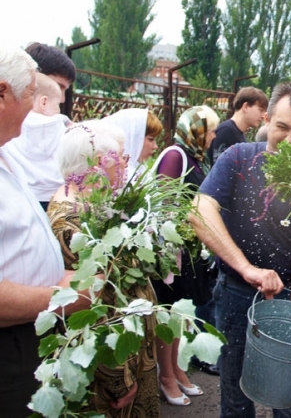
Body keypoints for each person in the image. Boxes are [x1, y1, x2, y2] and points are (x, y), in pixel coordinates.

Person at [189, 82, 291, 418]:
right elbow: (199, 209)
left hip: (288, 296)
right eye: (281, 128)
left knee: (290, 398)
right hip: (236, 296)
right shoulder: (237, 158)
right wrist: (246, 269)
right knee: (236, 396)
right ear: (266, 118)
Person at [47, 122, 161, 416]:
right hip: (114, 369)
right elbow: (95, 308)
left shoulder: (91, 203)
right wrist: (119, 380)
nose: (125, 165)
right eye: (121, 158)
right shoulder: (70, 224)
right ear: (99, 164)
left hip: (131, 357)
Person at [0, 46, 88, 417]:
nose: (38, 111)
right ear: (3, 94)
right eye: (30, 96)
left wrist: (58, 275)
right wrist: (61, 297)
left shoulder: (7, 153)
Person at [152, 106, 220, 404]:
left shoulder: (194, 157)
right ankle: (165, 376)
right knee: (168, 315)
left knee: (180, 315)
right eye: (212, 130)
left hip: (188, 250)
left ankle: (177, 370)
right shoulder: (174, 155)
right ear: (197, 130)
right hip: (171, 251)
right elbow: (163, 201)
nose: (215, 135)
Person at [1, 73, 70, 209]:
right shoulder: (60, 126)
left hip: (25, 191)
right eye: (57, 105)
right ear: (43, 102)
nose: (58, 110)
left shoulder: (15, 124)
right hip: (54, 193)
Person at [207, 86, 268, 163]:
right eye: (261, 110)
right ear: (245, 107)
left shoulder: (237, 133)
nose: (263, 116)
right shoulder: (226, 132)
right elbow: (220, 170)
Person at [102, 108, 163, 180]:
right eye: (151, 139)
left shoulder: (140, 170)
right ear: (133, 138)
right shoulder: (116, 178)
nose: (155, 146)